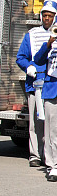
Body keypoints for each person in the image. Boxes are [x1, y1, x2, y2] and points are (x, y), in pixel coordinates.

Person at [17, 0, 56, 167]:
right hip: (35, 83)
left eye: (50, 15)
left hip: (51, 83)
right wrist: (28, 67)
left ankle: (50, 157)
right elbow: (21, 57)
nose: (47, 19)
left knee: (51, 123)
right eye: (44, 15)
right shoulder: (31, 35)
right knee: (36, 121)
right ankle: (35, 154)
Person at [34, 26, 57, 182]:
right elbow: (38, 60)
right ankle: (52, 166)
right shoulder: (49, 43)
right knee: (51, 131)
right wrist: (49, 44)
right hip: (51, 90)